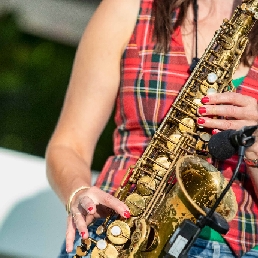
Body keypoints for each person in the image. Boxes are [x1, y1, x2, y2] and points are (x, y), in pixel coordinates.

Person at [45, 0, 258, 257]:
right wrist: (79, 192)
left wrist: (255, 145)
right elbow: (68, 144)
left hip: (228, 246)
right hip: (116, 232)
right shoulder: (129, 7)